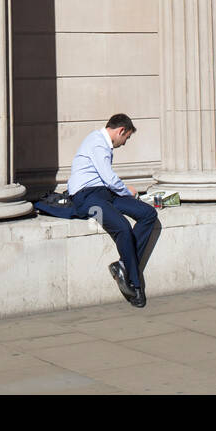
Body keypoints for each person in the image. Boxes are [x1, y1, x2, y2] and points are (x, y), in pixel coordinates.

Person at [67, 113, 158, 308]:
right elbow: (109, 178)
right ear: (121, 131)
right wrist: (127, 191)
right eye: (127, 138)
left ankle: (124, 264)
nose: (125, 143)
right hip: (86, 197)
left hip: (103, 193)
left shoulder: (103, 143)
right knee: (123, 227)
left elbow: (107, 182)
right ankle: (134, 283)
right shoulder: (98, 143)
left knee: (148, 214)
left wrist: (124, 193)